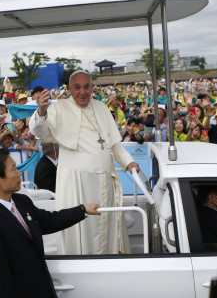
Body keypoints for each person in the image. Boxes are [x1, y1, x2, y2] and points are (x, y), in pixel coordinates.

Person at [0, 149, 100, 298]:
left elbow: (47, 221)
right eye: (13, 169)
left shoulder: (21, 201)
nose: (19, 173)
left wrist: (82, 210)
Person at [29, 70, 139, 255]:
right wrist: (41, 110)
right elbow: (38, 131)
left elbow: (114, 145)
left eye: (86, 86)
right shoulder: (59, 109)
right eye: (77, 87)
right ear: (70, 89)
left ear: (92, 87)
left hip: (105, 181)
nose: (82, 91)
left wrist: (129, 162)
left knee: (107, 227)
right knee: (83, 230)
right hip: (76, 182)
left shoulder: (102, 108)